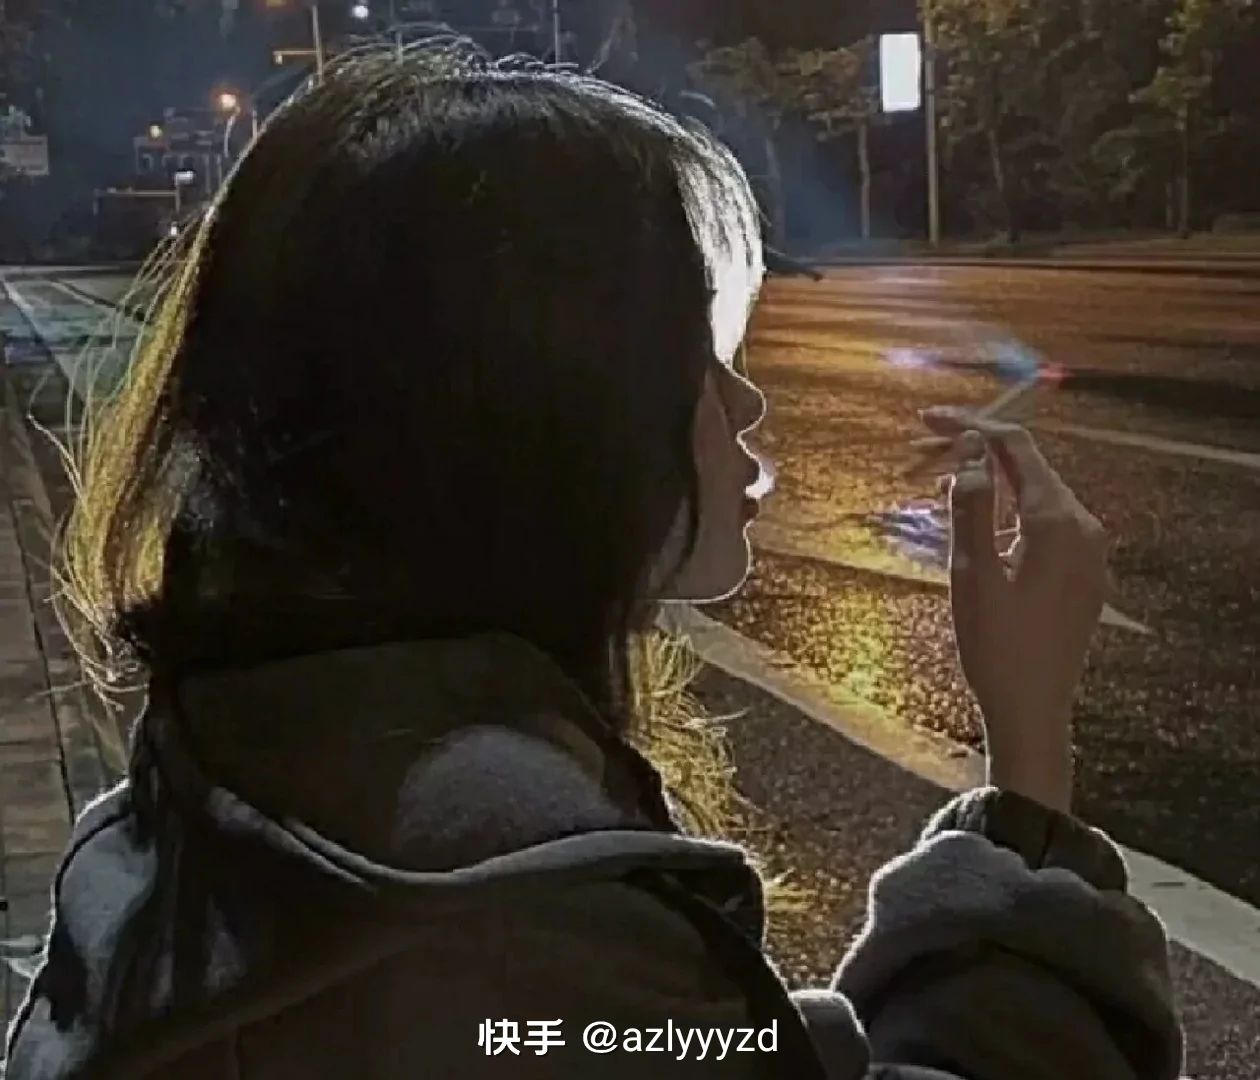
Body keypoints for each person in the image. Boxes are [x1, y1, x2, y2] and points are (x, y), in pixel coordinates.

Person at [7, 45, 1182, 1079]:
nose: (746, 401)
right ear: (536, 413)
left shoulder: (212, 816)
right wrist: (1030, 757)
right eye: (693, 353)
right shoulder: (517, 914)